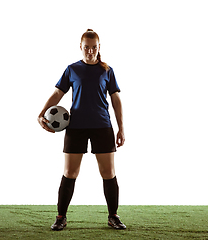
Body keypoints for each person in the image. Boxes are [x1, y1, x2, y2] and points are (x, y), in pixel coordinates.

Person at [37, 29, 126, 231]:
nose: (90, 51)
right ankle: (61, 217)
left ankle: (113, 216)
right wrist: (41, 113)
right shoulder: (72, 69)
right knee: (70, 172)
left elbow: (116, 99)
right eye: (86, 47)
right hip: (75, 127)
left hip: (102, 126)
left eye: (94, 48)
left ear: (99, 48)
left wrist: (121, 128)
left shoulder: (107, 71)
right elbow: (58, 93)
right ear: (81, 47)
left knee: (108, 172)